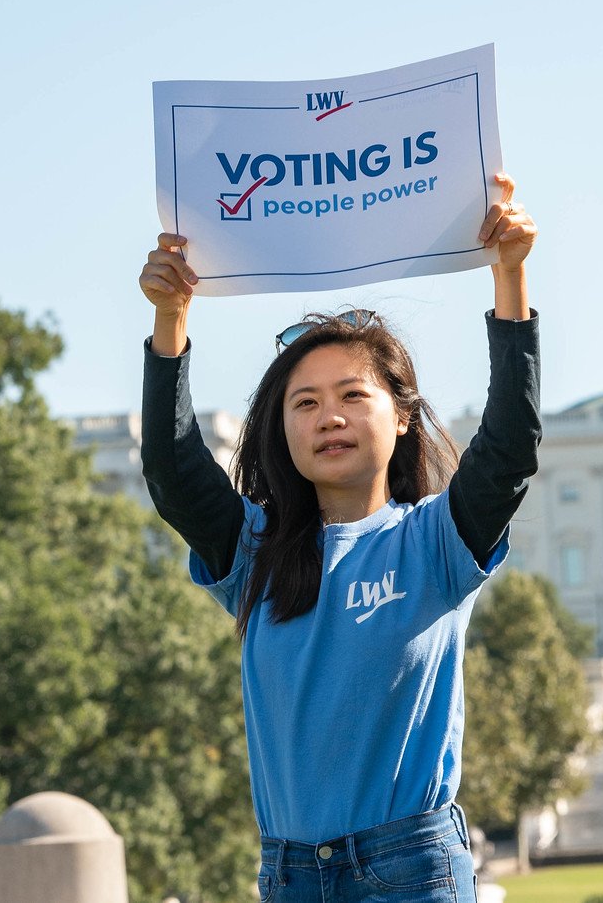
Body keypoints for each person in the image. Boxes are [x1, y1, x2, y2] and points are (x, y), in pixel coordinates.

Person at [137, 176, 539, 903]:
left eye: (353, 395)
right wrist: (171, 320)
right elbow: (170, 467)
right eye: (306, 403)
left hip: (409, 868)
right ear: (281, 429)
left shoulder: (438, 542)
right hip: (288, 873)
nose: (329, 417)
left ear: (404, 417)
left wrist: (508, 275)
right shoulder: (252, 550)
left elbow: (509, 448)